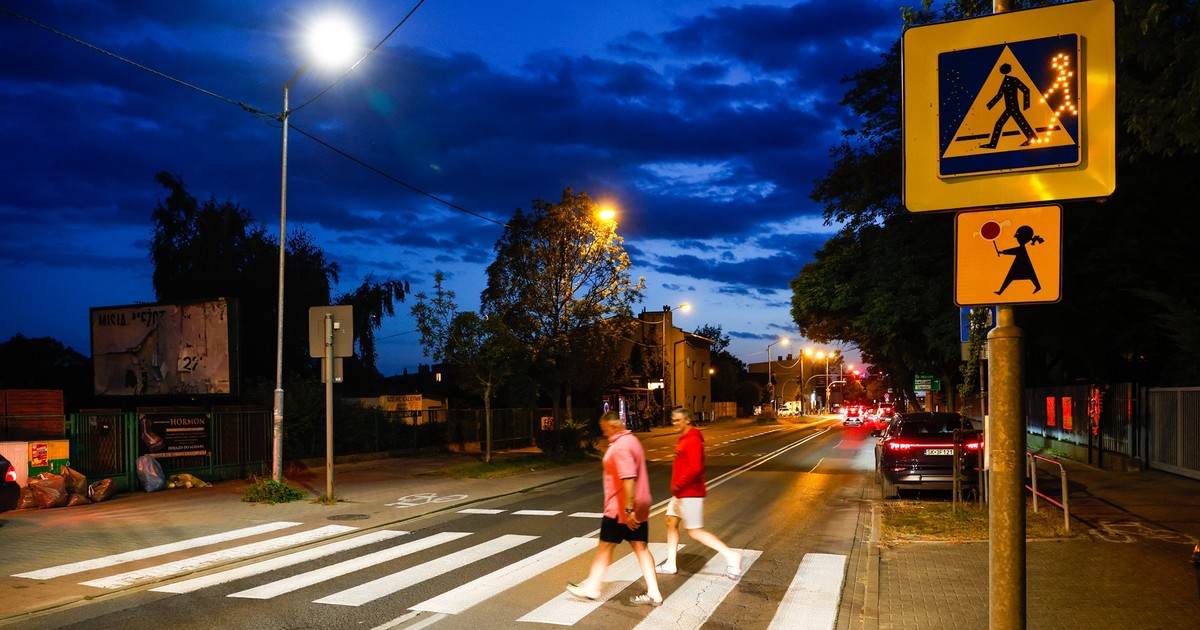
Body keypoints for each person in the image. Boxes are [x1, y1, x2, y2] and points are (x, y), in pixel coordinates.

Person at [566, 411, 664, 606]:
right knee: (641, 548)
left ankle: (592, 588)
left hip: (620, 508)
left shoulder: (621, 446)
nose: (604, 434)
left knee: (605, 548)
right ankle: (654, 593)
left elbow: (628, 478)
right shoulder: (632, 440)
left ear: (612, 426)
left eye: (605, 430)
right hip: (639, 505)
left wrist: (628, 510)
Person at [655, 407, 743, 579]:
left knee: (695, 531)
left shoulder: (693, 439)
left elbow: (695, 467)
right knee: (671, 521)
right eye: (673, 420)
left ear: (688, 420)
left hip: (690, 492)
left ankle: (732, 556)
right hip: (681, 492)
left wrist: (679, 484)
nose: (675, 423)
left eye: (678, 420)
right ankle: (671, 564)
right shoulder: (684, 438)